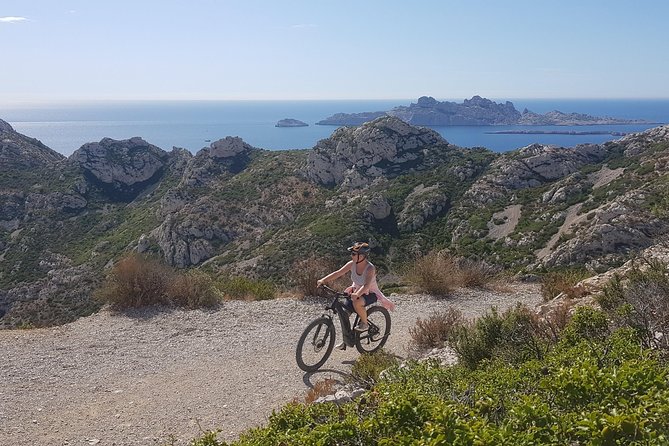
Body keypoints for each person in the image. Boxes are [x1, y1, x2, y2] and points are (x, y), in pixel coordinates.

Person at [317, 242, 395, 349]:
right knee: (344, 314)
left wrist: (357, 294)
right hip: (355, 292)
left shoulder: (370, 268)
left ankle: (365, 323)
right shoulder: (351, 264)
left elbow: (367, 285)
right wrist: (323, 280)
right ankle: (347, 339)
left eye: (354, 254)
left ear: (361, 256)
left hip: (370, 293)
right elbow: (338, 273)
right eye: (352, 254)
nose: (351, 256)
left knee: (357, 303)